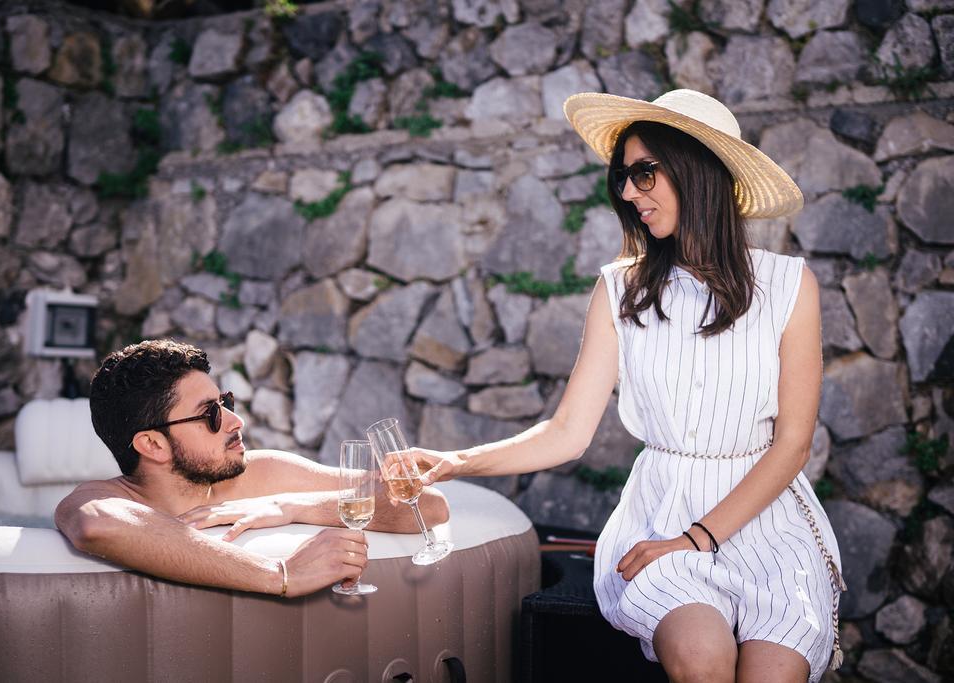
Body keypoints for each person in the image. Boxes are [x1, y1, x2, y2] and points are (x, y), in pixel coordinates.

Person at [408, 90, 843, 682]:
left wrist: (703, 537)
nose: (629, 193)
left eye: (644, 173)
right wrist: (453, 461)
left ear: (698, 168)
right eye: (623, 177)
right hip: (662, 518)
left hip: (769, 523)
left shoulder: (791, 285)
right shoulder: (622, 289)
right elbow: (566, 432)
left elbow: (793, 443)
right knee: (704, 660)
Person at [55, 339, 449, 598]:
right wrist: (280, 574)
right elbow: (97, 526)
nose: (234, 420)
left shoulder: (263, 474)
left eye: (224, 402)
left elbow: (429, 505)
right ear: (153, 445)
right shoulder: (103, 499)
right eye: (210, 414)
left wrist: (292, 506)